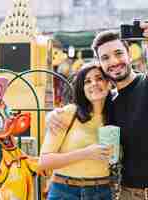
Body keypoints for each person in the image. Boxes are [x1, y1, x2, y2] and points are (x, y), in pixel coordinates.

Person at [48, 20, 148, 200]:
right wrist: (52, 115)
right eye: (105, 58)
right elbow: (82, 112)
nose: (113, 61)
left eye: (118, 53)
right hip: (130, 193)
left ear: (129, 54)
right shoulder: (109, 103)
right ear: (99, 63)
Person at [38, 62, 114, 200]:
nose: (94, 84)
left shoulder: (116, 115)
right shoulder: (68, 113)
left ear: (109, 83)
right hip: (65, 192)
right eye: (87, 81)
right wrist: (86, 153)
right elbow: (44, 161)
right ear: (82, 88)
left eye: (99, 78)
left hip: (103, 192)